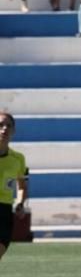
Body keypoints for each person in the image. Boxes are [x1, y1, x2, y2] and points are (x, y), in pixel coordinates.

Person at [0, 113, 29, 264]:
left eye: (8, 126)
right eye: (0, 125)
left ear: (13, 131)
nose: (4, 129)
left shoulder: (18, 159)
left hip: (4, 212)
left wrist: (20, 203)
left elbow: (22, 186)